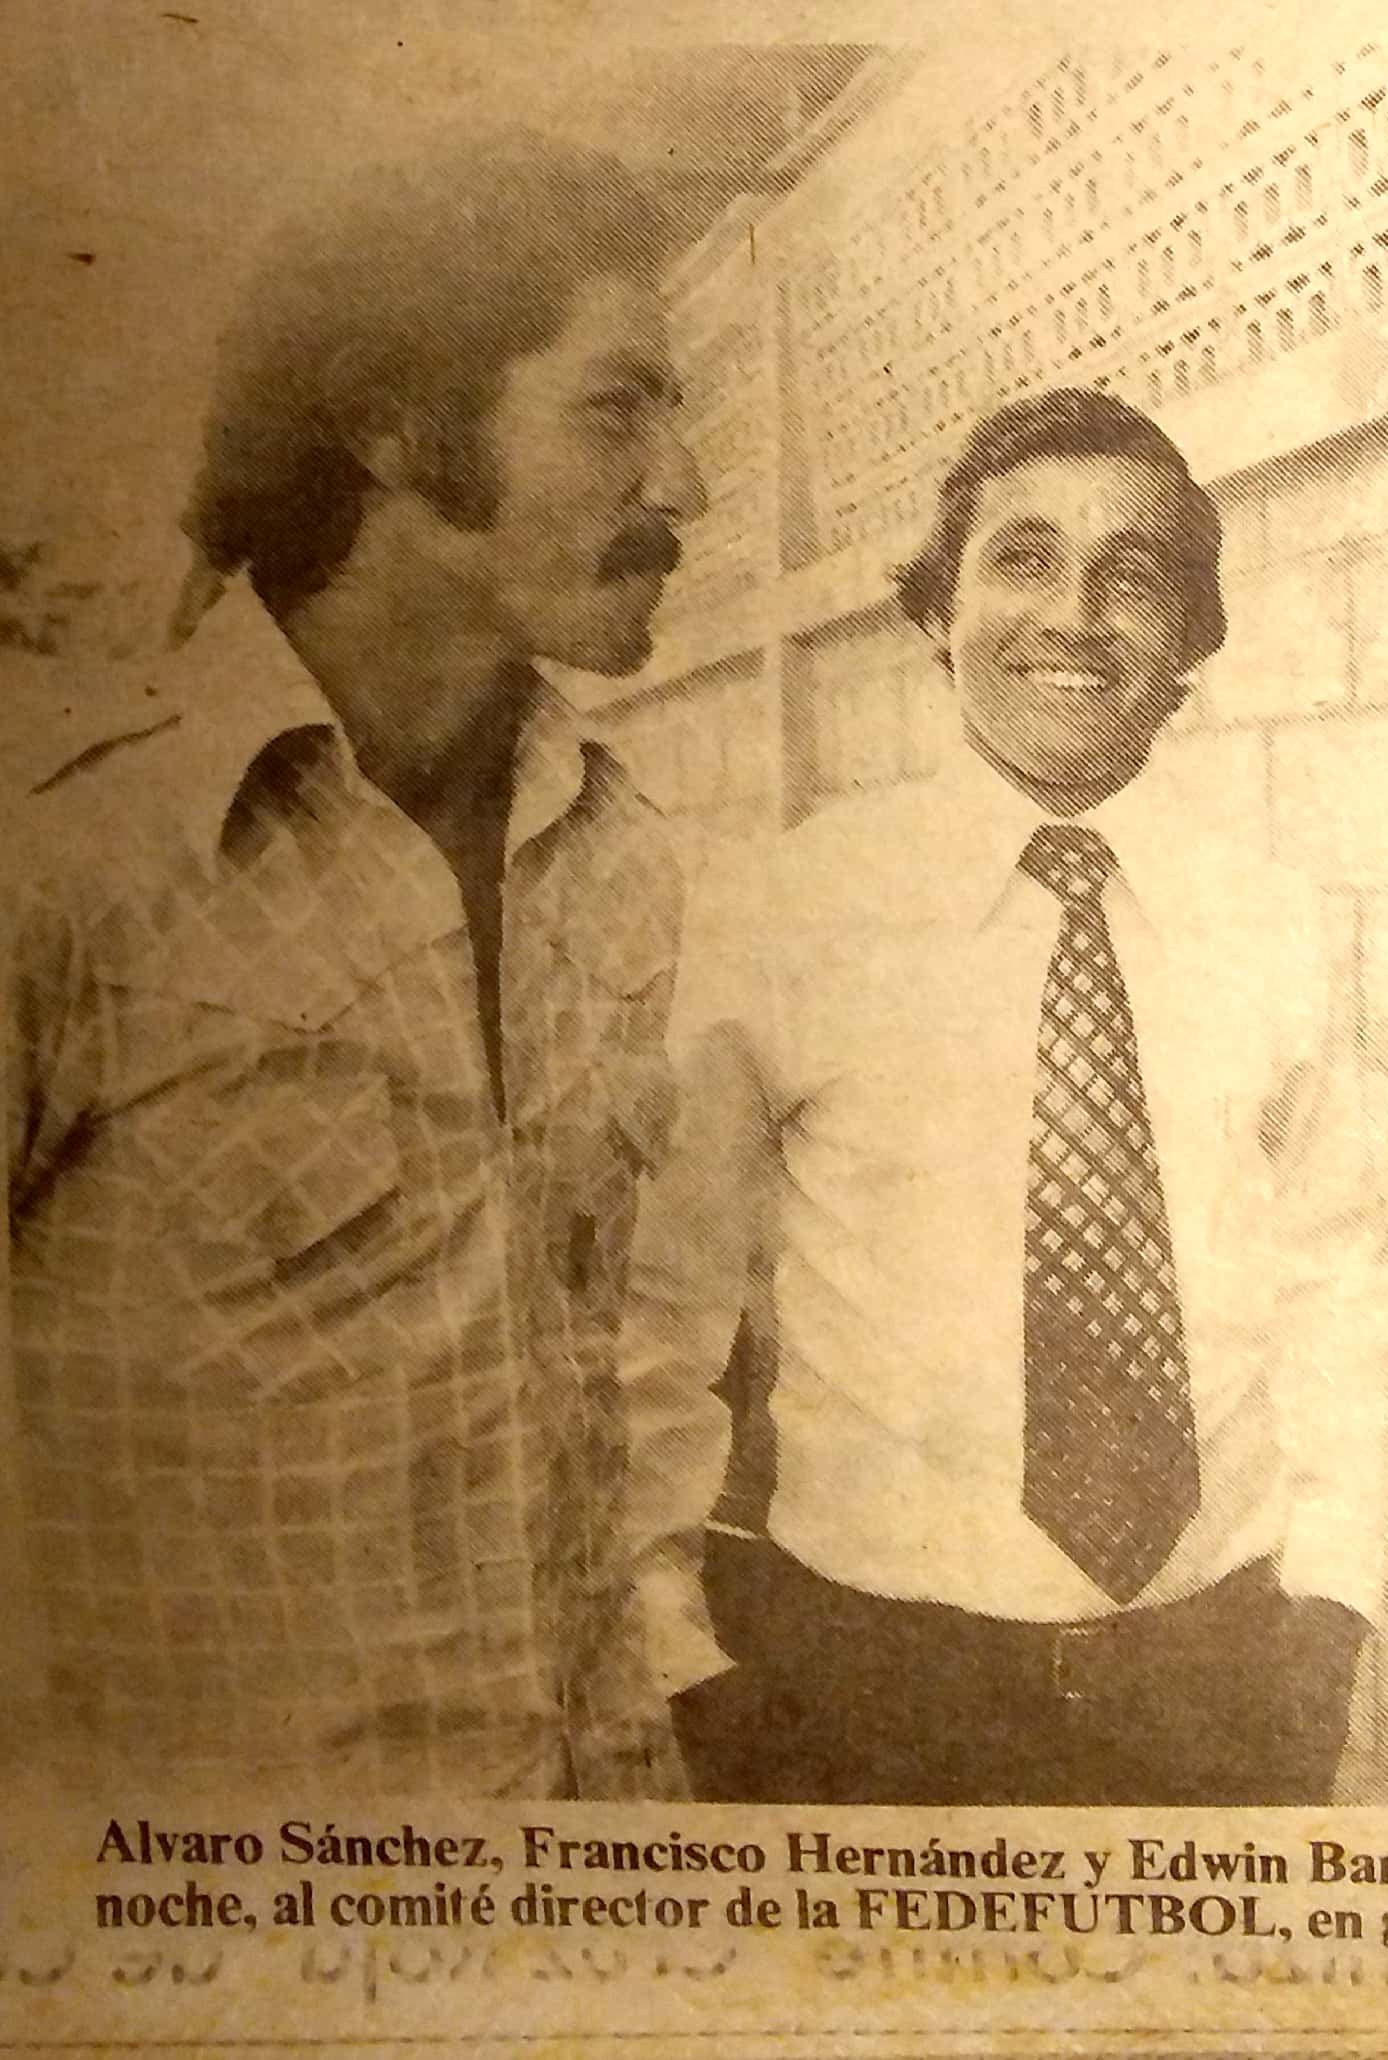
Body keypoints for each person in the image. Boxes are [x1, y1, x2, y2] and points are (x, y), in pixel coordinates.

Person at [4, 131, 709, 1796]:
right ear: (398, 425)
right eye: (617, 410)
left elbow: (612, 1369)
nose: (685, 488)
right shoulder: (77, 860)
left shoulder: (620, 851)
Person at [628, 387, 1388, 1806]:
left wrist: (1334, 1605)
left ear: (1188, 647)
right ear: (937, 610)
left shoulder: (1272, 922)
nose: (1077, 615)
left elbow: (1332, 1283)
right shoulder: (792, 912)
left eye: (1135, 576)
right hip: (873, 1691)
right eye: (1022, 559)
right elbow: (665, 1309)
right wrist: (679, 1646)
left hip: (1210, 1686)